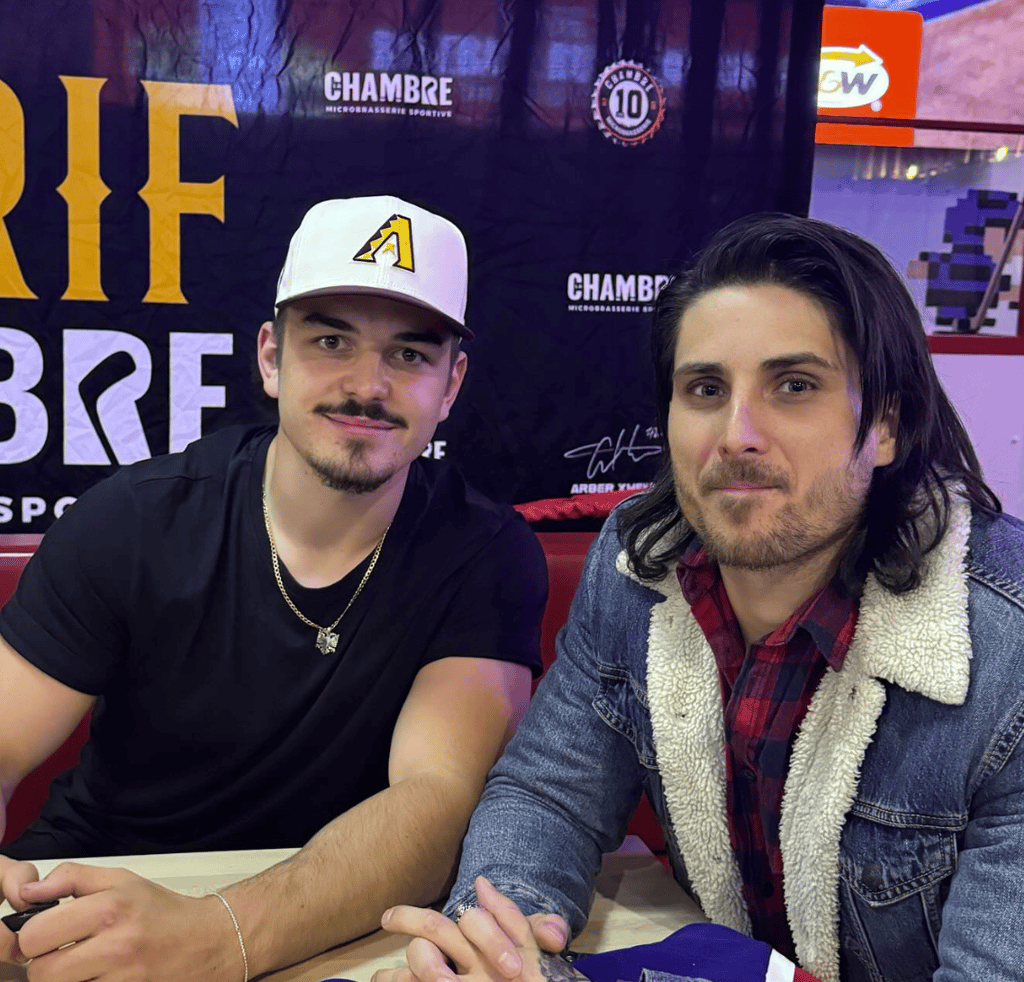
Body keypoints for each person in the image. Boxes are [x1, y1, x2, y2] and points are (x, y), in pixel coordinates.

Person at [374, 213, 1024, 982]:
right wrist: (496, 952)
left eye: (794, 386)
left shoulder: (1004, 652)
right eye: (706, 388)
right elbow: (550, 793)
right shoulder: (635, 566)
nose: (737, 433)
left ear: (887, 423)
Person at [0, 195, 547, 981]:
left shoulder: (486, 553)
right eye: (330, 340)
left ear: (451, 383)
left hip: (335, 926)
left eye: (410, 355)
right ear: (270, 355)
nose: (368, 385)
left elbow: (436, 803)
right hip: (102, 892)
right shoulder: (135, 520)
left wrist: (218, 937)